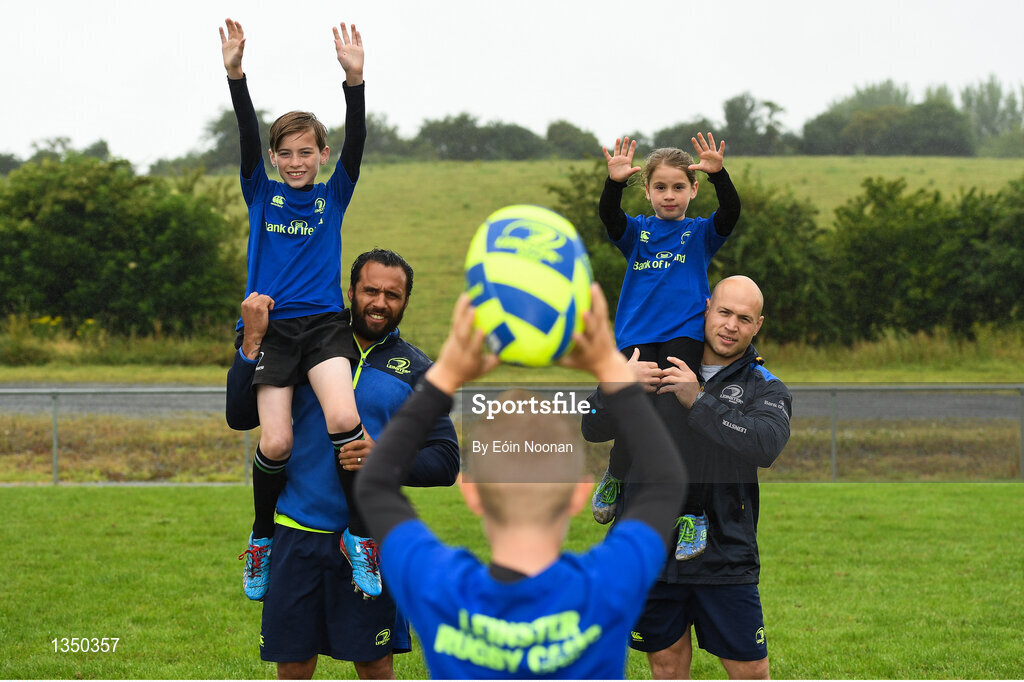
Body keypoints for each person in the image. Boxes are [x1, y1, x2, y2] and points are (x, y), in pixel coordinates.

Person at [355, 285, 688, 679]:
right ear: (580, 495)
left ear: (472, 492)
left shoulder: (439, 587)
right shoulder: (607, 586)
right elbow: (668, 480)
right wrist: (610, 368)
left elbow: (372, 483)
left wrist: (445, 376)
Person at [227, 249, 460, 679]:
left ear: (406, 301)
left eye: (393, 294)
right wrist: (251, 342)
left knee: (373, 662)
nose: (380, 302)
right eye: (370, 290)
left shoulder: (419, 370)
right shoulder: (301, 344)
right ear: (350, 292)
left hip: (371, 541)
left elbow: (446, 462)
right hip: (296, 535)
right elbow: (241, 416)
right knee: (294, 662)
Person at [220, 18, 379, 599]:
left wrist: (354, 82)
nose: (294, 162)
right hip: (272, 332)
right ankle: (261, 538)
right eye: (284, 153)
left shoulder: (335, 194)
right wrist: (236, 74)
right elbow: (243, 131)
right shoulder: (259, 192)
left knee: (344, 419)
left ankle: (360, 535)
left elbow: (358, 142)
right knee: (277, 443)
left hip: (323, 327)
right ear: (272, 156)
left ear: (322, 154)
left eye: (305, 152)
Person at [584, 275, 792, 680]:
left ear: (758, 325)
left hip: (724, 554)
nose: (731, 326)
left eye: (744, 319)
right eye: (725, 312)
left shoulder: (764, 387)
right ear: (707, 308)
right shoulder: (652, 363)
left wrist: (698, 400)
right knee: (665, 666)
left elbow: (765, 445)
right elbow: (591, 426)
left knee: (751, 671)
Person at [591, 133, 742, 563]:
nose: (670, 195)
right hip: (636, 340)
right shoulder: (637, 233)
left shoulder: (698, 235)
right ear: (649, 191)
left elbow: (730, 213)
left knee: (681, 422)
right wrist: (613, 182)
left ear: (693, 190)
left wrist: (719, 174)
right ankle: (616, 475)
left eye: (679, 187)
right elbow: (608, 216)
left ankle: (693, 514)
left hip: (684, 338)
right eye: (660, 187)